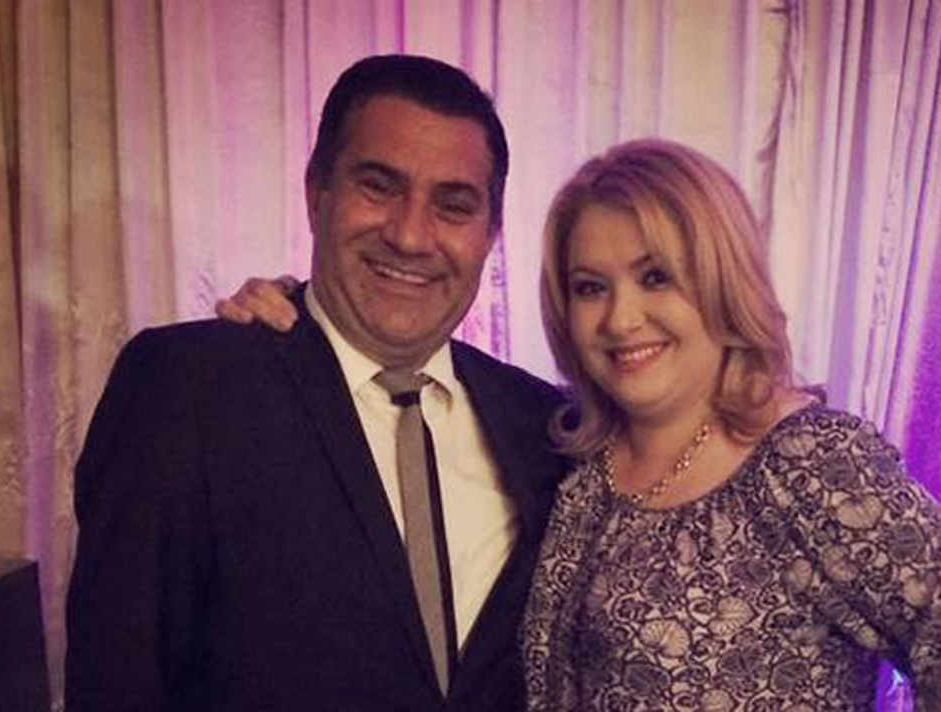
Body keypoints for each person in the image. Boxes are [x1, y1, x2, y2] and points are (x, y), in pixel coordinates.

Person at [222, 140, 941, 710]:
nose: (621, 319)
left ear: (719, 277)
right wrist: (304, 319)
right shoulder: (570, 459)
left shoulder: (805, 460)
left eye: (656, 277)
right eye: (591, 287)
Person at [65, 55, 568, 712]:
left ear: (490, 235)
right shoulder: (185, 389)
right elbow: (118, 679)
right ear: (315, 193)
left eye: (453, 205)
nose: (410, 235)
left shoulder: (542, 426)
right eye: (379, 186)